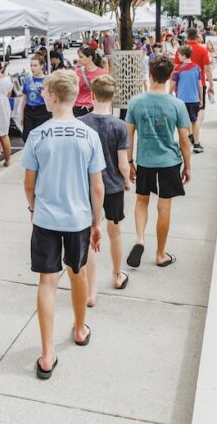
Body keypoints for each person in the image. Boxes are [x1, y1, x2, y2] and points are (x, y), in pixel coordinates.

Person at [21, 69, 104, 380]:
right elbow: (97, 187)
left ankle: (46, 354)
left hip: (45, 218)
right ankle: (80, 328)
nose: (42, 97)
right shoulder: (89, 136)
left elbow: (28, 183)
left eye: (44, 93)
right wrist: (96, 221)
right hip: (79, 219)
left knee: (47, 282)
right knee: (78, 272)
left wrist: (33, 207)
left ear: (54, 97)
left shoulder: (37, 135)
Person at [126, 56, 191, 269]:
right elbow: (183, 139)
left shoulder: (136, 102)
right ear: (170, 76)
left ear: (150, 74)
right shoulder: (177, 104)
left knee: (141, 200)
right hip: (169, 161)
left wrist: (129, 162)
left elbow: (129, 137)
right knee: (164, 207)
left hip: (145, 160)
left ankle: (139, 238)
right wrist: (188, 166)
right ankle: (160, 254)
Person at [79, 75, 131, 300]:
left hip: (88, 187)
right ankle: (117, 274)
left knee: (91, 235)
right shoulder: (119, 125)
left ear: (91, 95)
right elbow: (123, 163)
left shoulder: (81, 123)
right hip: (113, 186)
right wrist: (127, 181)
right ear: (113, 97)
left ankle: (91, 290)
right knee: (114, 232)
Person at [174, 28, 213, 153]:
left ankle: (187, 137)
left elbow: (175, 68)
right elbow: (207, 68)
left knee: (183, 118)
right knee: (197, 114)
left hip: (181, 90)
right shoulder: (203, 50)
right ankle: (195, 140)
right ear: (197, 36)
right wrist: (211, 84)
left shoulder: (180, 50)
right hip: (197, 88)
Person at [170, 46, 203, 153]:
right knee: (194, 122)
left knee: (182, 124)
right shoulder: (197, 67)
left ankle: (184, 145)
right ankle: (197, 144)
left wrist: (168, 94)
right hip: (194, 99)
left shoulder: (178, 68)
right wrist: (201, 98)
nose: (178, 56)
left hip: (181, 100)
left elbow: (173, 83)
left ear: (184, 55)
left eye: (179, 54)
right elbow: (200, 85)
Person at [21, 56, 51, 138]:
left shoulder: (47, 80)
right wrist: (21, 115)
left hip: (42, 110)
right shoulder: (28, 80)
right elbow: (24, 98)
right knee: (26, 136)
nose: (32, 68)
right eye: (31, 65)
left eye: (35, 65)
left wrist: (45, 95)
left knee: (40, 136)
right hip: (29, 110)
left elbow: (52, 99)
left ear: (42, 66)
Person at [72, 47, 106, 118]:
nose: (79, 59)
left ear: (90, 58)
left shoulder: (102, 74)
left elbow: (105, 94)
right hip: (78, 108)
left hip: (96, 108)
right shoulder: (76, 72)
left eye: (81, 57)